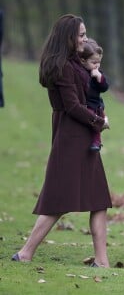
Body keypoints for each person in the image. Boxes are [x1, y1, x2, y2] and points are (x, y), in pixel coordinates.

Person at [11, 14, 112, 268]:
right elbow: (73, 107)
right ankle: (25, 253)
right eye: (81, 34)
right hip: (72, 137)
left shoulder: (72, 61)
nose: (85, 38)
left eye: (85, 33)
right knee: (58, 200)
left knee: (99, 199)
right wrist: (99, 122)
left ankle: (102, 261)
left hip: (82, 137)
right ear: (68, 37)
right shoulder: (63, 67)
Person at [79, 38, 110, 151]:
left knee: (96, 121)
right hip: (85, 104)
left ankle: (97, 142)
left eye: (99, 62)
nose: (97, 65)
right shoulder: (80, 72)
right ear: (83, 61)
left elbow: (105, 88)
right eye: (93, 62)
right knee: (90, 119)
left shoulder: (98, 73)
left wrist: (99, 78)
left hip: (95, 104)